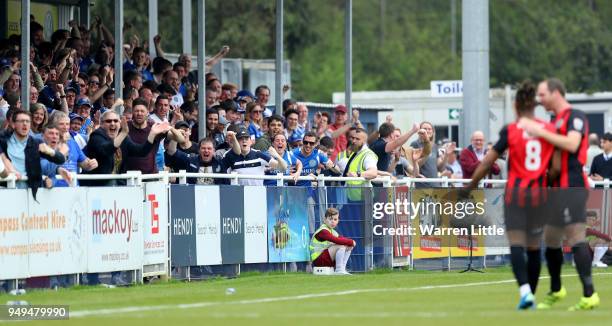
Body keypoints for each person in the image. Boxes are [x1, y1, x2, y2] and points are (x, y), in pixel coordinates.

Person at [464, 81, 555, 309]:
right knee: (534, 246)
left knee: (516, 244)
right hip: (538, 194)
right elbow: (555, 167)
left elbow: (487, 162)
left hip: (516, 194)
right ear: (535, 106)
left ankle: (525, 292)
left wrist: (469, 186)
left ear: (515, 106)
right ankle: (530, 295)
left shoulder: (511, 130)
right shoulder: (547, 129)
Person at [519, 78, 599, 310]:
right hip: (555, 188)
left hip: (573, 185)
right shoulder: (556, 121)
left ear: (556, 93)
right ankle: (556, 290)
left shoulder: (575, 116)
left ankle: (589, 294)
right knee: (551, 239)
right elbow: (554, 159)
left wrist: (540, 132)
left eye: (542, 94)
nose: (539, 99)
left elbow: (573, 145)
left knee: (575, 237)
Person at [0, 109, 66, 198]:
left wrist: (50, 151)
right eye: (21, 121)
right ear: (14, 124)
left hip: (30, 193)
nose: (25, 124)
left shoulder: (36, 143)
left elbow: (60, 160)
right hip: (7, 190)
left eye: (27, 121)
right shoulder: (3, 140)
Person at [222, 127, 286, 186]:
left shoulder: (259, 154)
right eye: (241, 139)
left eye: (246, 138)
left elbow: (282, 168)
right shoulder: (229, 155)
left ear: (251, 141)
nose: (244, 141)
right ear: (236, 142)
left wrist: (277, 156)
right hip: (239, 194)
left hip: (257, 194)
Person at [310, 208, 356, 275]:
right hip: (318, 260)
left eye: (335, 219)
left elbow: (342, 239)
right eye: (330, 219)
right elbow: (336, 240)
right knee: (341, 245)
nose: (333, 221)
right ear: (325, 220)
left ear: (338, 221)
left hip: (325, 259)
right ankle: (339, 269)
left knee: (349, 246)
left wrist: (350, 243)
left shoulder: (332, 231)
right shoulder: (323, 231)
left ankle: (342, 269)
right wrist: (351, 242)